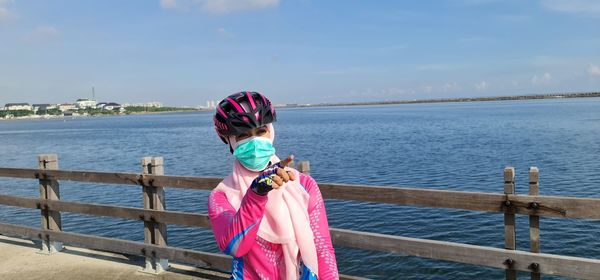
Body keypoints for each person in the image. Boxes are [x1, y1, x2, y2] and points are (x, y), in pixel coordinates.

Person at [208, 91, 339, 279]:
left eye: (261, 131)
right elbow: (234, 246)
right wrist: (255, 195)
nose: (254, 142)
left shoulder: (303, 184)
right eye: (243, 135)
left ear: (271, 131)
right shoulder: (221, 196)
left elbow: (322, 246)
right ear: (229, 140)